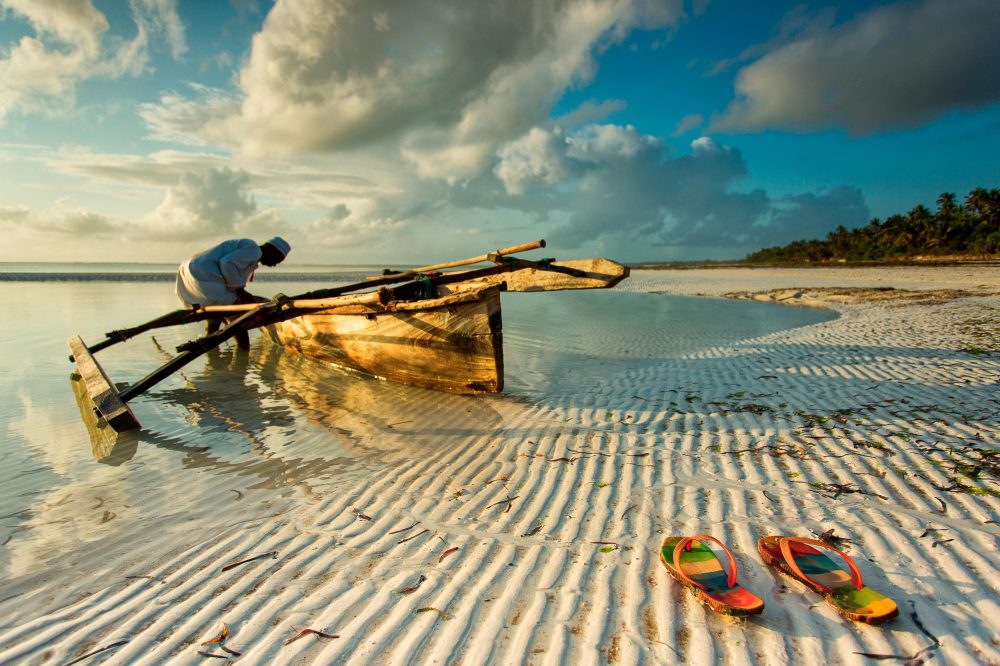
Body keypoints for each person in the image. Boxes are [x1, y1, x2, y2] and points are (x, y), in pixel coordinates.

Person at [175, 237, 291, 349]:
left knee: (216, 313)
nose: (275, 264)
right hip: (202, 274)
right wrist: (240, 290)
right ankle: (243, 353)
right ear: (272, 250)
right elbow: (227, 263)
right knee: (237, 314)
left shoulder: (250, 253)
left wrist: (239, 290)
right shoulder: (254, 250)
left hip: (190, 274)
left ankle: (212, 351)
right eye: (277, 260)